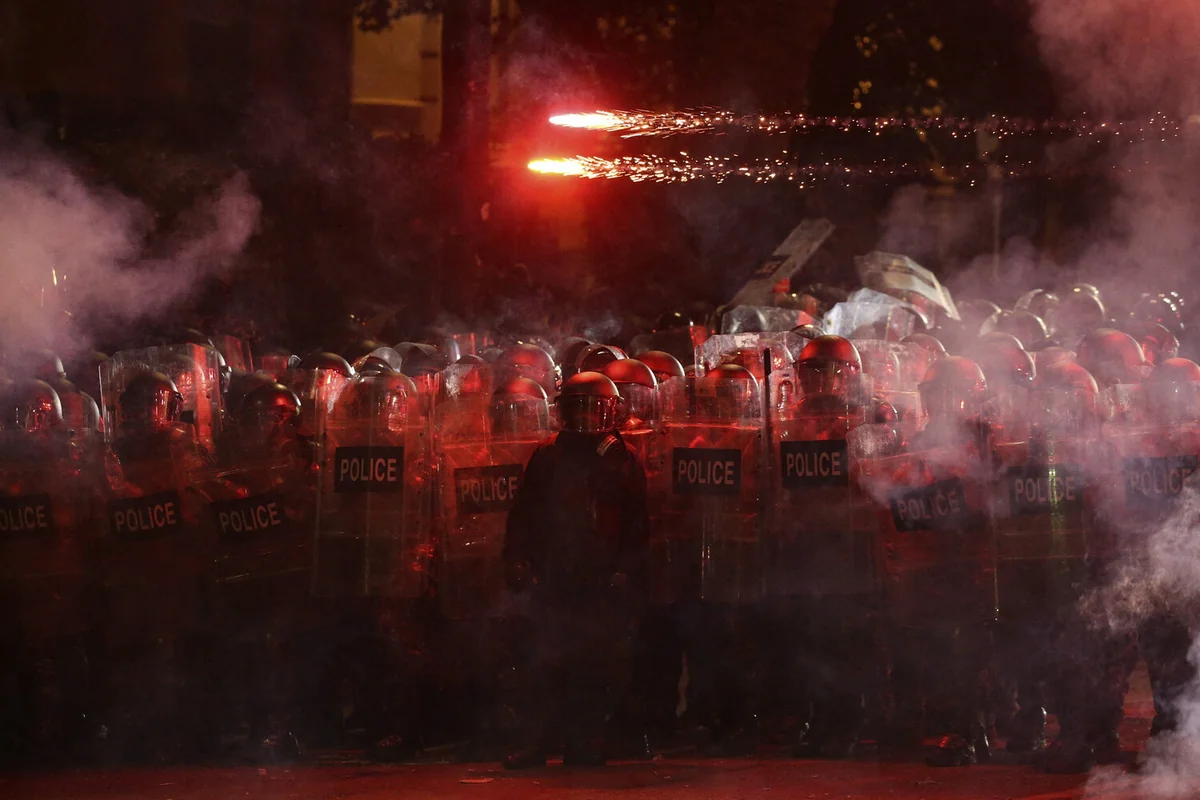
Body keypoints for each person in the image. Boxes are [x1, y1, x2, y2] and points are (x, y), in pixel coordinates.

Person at [501, 372, 650, 768]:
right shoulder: (548, 454)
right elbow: (523, 515)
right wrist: (517, 558)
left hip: (598, 580)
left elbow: (638, 524)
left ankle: (582, 741)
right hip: (552, 576)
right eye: (578, 408)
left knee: (591, 664)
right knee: (543, 661)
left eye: (593, 408)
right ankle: (537, 743)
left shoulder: (622, 457)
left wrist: (626, 571)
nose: (586, 419)